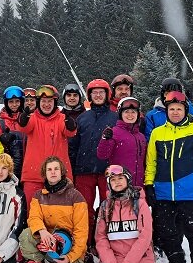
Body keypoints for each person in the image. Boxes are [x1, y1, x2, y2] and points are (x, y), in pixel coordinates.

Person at [144, 90, 193, 263]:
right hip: (163, 193)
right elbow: (151, 161)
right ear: (166, 111)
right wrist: (149, 184)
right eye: (172, 109)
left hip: (189, 193)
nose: (175, 112)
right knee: (167, 232)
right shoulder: (158, 133)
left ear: (185, 110)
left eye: (179, 109)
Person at [17, 156, 91, 263]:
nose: (53, 172)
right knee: (26, 235)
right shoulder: (39, 196)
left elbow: (81, 232)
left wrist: (70, 256)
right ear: (44, 173)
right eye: (49, 169)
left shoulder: (76, 197)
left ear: (62, 172)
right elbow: (34, 217)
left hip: (68, 249)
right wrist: (42, 231)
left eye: (56, 169)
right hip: (48, 244)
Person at [88, 165, 158, 263]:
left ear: (128, 180)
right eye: (113, 180)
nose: (117, 182)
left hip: (139, 260)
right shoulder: (105, 206)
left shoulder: (140, 204)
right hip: (114, 260)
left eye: (120, 178)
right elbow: (101, 238)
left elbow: (145, 238)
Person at [69, 79, 118, 242]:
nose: (98, 95)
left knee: (108, 208)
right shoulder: (82, 118)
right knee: (84, 209)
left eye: (101, 92)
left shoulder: (115, 117)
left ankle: (105, 242)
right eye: (94, 93)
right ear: (89, 96)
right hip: (84, 170)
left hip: (107, 172)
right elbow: (74, 145)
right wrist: (73, 169)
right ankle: (86, 242)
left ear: (107, 94)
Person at [18, 85, 77, 211]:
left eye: (50, 101)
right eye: (43, 101)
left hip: (59, 177)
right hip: (33, 176)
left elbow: (70, 132)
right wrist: (22, 119)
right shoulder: (32, 118)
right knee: (32, 212)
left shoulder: (61, 118)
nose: (46, 104)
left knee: (60, 213)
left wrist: (71, 125)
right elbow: (24, 128)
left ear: (55, 102)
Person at [96, 97, 147, 187]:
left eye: (133, 112)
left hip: (138, 186)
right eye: (126, 112)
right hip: (119, 187)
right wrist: (105, 140)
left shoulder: (141, 136)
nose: (130, 115)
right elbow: (103, 155)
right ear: (120, 114)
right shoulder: (114, 132)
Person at [0, 86, 26, 181]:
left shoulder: (28, 122)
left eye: (17, 101)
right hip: (7, 172)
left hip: (27, 170)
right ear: (6, 103)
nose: (14, 105)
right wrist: (1, 139)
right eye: (11, 102)